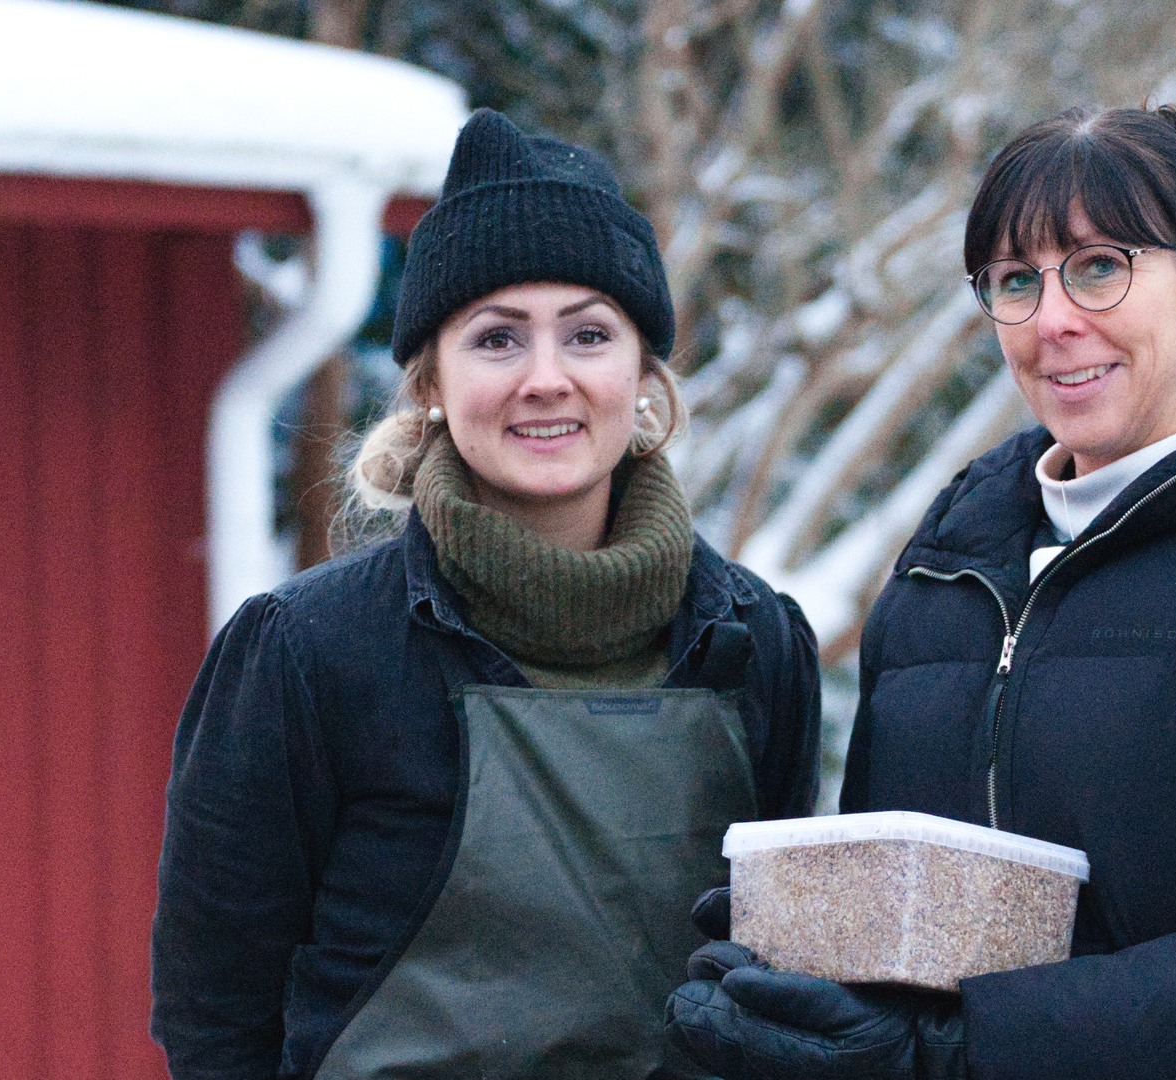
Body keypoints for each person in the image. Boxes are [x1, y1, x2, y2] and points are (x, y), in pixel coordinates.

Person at [666, 104, 1176, 1079]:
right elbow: (913, 917)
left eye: (1100, 266)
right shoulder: (949, 566)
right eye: (1015, 281)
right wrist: (807, 945)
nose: (1054, 320)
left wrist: (951, 1058)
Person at [152, 109, 820, 1080]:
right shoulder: (306, 651)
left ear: (641, 373)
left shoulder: (756, 642)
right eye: (498, 340)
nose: (546, 380)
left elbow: (783, 979)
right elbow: (216, 1013)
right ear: (430, 380)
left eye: (589, 334)